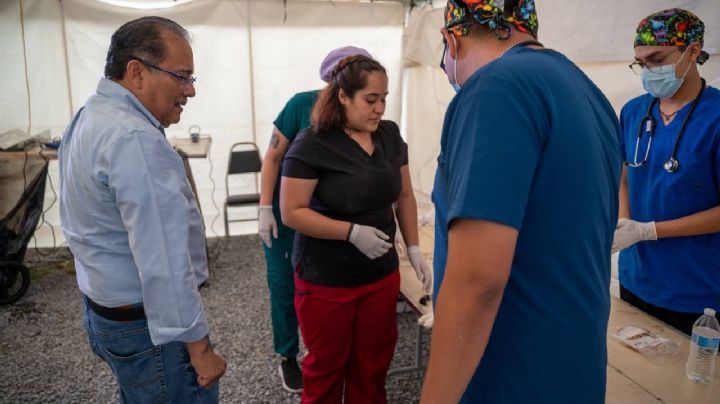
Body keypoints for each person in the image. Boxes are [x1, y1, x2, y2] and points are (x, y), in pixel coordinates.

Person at [421, 1, 620, 402]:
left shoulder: (495, 88)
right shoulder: (586, 91)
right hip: (573, 367)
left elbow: (478, 280)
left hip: (511, 373)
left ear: (451, 39)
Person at [58, 16, 225, 403]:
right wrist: (199, 350)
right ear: (136, 72)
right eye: (182, 77)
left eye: (191, 79)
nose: (190, 91)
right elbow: (164, 262)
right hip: (150, 327)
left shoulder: (90, 115)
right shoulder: (135, 138)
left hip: (107, 312)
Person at [280, 54, 431, 403]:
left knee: (372, 365)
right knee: (327, 367)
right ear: (343, 96)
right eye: (370, 100)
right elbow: (292, 211)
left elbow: (405, 195)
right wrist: (350, 232)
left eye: (384, 99)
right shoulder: (311, 143)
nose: (379, 108)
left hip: (379, 276)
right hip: (326, 279)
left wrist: (411, 249)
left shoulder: (390, 135)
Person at [257, 46, 371, 393]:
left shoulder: (360, 109)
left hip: (329, 214)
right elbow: (273, 156)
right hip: (286, 211)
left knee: (324, 286)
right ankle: (288, 356)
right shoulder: (300, 105)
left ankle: (326, 351)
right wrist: (265, 207)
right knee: (284, 283)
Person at [614, 8, 720, 335]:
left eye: (657, 59)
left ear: (692, 51)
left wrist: (650, 231)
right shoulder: (634, 112)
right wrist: (626, 223)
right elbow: (623, 173)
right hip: (637, 280)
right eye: (641, 63)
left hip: (698, 294)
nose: (649, 70)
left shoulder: (715, 118)